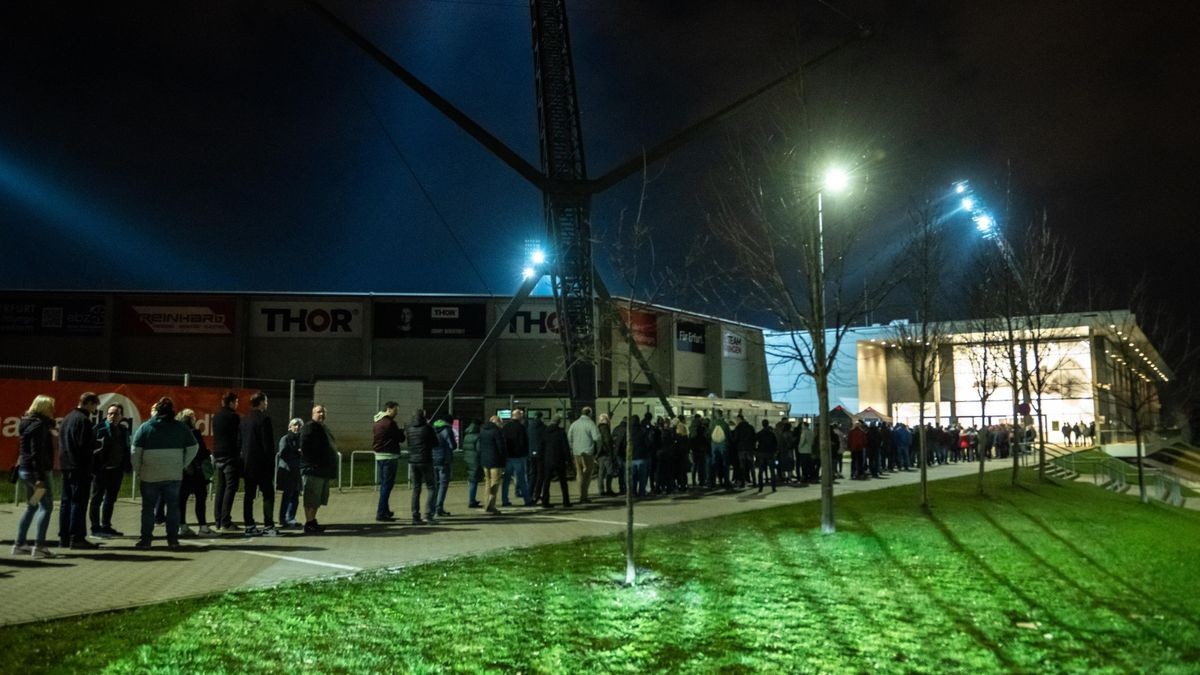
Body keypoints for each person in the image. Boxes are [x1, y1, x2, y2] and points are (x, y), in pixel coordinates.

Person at [130, 397, 199, 550]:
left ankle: (146, 540)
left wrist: (139, 469)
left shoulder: (146, 427)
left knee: (148, 508)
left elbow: (135, 451)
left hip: (150, 474)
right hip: (173, 475)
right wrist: (182, 463)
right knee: (173, 507)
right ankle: (173, 540)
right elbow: (194, 447)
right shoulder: (181, 427)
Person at [13, 395, 57, 559]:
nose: (53, 410)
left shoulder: (27, 422)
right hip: (37, 473)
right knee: (46, 507)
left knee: (32, 506)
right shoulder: (39, 426)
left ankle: (20, 543)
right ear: (43, 408)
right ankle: (39, 546)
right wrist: (40, 478)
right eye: (51, 407)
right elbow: (36, 453)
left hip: (25, 471)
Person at [59, 391, 101, 550]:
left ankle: (64, 537)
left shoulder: (68, 418)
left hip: (66, 465)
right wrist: (95, 447)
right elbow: (84, 446)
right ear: (89, 403)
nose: (94, 409)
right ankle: (77, 537)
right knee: (79, 502)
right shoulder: (83, 420)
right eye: (95, 405)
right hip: (80, 467)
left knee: (66, 502)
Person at [90, 403, 131, 538]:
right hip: (100, 471)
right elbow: (92, 450)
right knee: (96, 499)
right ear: (107, 415)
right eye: (110, 413)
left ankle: (106, 526)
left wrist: (126, 465)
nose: (113, 416)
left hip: (116, 471)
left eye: (116, 414)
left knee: (110, 499)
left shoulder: (123, 431)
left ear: (121, 416)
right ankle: (95, 528)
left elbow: (126, 449)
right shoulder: (99, 428)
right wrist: (95, 467)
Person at [239, 392, 277, 536]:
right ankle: (268, 526)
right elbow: (267, 445)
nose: (267, 404)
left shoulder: (244, 420)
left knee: (249, 495)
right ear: (261, 402)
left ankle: (249, 525)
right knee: (268, 495)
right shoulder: (264, 419)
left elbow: (240, 442)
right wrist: (271, 464)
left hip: (248, 464)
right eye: (266, 401)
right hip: (262, 465)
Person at [299, 404, 338, 534]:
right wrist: (313, 461)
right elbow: (304, 446)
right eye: (318, 412)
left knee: (318, 499)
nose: (321, 414)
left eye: (323, 412)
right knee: (311, 498)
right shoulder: (309, 427)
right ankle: (309, 523)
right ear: (313, 414)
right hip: (313, 469)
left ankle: (312, 520)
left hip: (323, 469)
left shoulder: (323, 427)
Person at [176, 408, 214, 536]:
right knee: (200, 498)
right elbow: (201, 451)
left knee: (182, 499)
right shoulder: (195, 433)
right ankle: (203, 527)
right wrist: (207, 453)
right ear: (191, 418)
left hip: (183, 471)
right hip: (197, 471)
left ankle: (182, 526)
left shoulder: (178, 432)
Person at [211, 391, 241, 531]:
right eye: (236, 402)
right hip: (230, 455)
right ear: (230, 402)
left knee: (220, 487)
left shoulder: (216, 416)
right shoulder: (233, 417)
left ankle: (217, 519)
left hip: (218, 454)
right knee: (231, 487)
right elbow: (237, 436)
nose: (237, 404)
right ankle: (226, 521)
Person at [371, 401, 405, 521]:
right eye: (395, 410)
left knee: (384, 485)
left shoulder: (377, 421)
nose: (396, 413)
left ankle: (385, 510)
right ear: (389, 409)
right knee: (387, 486)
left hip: (379, 455)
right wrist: (401, 432)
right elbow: (401, 438)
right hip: (389, 455)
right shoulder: (390, 423)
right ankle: (381, 513)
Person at [405, 408, 438, 525]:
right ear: (423, 416)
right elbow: (435, 443)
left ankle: (415, 516)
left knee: (416, 488)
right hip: (426, 460)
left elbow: (409, 443)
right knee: (431, 487)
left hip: (413, 461)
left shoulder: (409, 428)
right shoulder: (428, 428)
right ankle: (428, 514)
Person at [568, 406, 602, 503]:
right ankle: (584, 496)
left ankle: (581, 494)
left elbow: (569, 437)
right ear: (590, 413)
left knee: (579, 474)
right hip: (587, 452)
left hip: (576, 453)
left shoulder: (574, 424)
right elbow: (597, 438)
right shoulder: (590, 424)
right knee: (587, 474)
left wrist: (573, 447)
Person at [501, 409, 532, 507]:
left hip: (508, 457)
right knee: (521, 478)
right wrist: (525, 454)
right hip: (518, 456)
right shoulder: (521, 428)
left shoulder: (505, 427)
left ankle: (504, 500)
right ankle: (527, 499)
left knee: (506, 480)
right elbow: (524, 442)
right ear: (518, 416)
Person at [276, 418, 304, 527]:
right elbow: (282, 453)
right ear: (290, 426)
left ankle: (291, 518)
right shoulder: (285, 438)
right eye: (295, 425)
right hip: (287, 471)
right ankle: (282, 519)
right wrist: (296, 452)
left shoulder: (301, 439)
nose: (297, 427)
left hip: (297, 471)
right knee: (287, 495)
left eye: (299, 425)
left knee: (295, 496)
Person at [540, 415, 572, 507]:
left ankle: (545, 501)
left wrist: (542, 459)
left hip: (548, 459)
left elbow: (542, 446)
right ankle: (566, 501)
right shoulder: (561, 432)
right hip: (559, 459)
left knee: (546, 481)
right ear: (559, 422)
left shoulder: (545, 431)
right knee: (563, 481)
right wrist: (568, 461)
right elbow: (565, 448)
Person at [478, 414, 506, 515]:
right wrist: (503, 462)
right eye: (500, 423)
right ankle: (491, 505)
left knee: (487, 483)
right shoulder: (497, 431)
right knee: (495, 483)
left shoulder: (482, 430)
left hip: (485, 460)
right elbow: (501, 448)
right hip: (495, 461)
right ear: (497, 422)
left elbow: (479, 446)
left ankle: (486, 504)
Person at [432, 416, 457, 517]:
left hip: (432, 459)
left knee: (434, 485)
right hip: (444, 460)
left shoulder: (432, 429)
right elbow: (452, 445)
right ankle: (439, 508)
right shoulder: (447, 430)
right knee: (443, 485)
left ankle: (432, 508)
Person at [461, 419, 483, 508]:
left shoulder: (467, 435)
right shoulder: (477, 436)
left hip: (467, 459)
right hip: (475, 460)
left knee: (471, 479)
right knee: (474, 480)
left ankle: (472, 499)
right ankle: (471, 500)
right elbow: (479, 449)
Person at [754, 419, 778, 493]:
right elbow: (775, 444)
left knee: (761, 471)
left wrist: (756, 451)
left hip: (761, 453)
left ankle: (760, 487)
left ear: (762, 424)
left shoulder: (759, 433)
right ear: (768, 424)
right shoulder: (772, 434)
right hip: (770, 453)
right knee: (772, 471)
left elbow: (754, 442)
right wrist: (774, 452)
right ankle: (773, 487)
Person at [709, 411, 731, 489]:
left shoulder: (711, 424)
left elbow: (709, 434)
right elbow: (729, 436)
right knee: (725, 464)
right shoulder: (725, 424)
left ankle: (712, 483)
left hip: (714, 445)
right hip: (723, 445)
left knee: (714, 464)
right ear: (722, 415)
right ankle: (726, 482)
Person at [596, 413, 614, 496]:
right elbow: (607, 440)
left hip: (600, 454)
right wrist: (611, 450)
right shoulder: (605, 428)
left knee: (601, 473)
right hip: (606, 453)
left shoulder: (598, 428)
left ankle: (601, 490)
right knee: (609, 471)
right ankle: (609, 489)